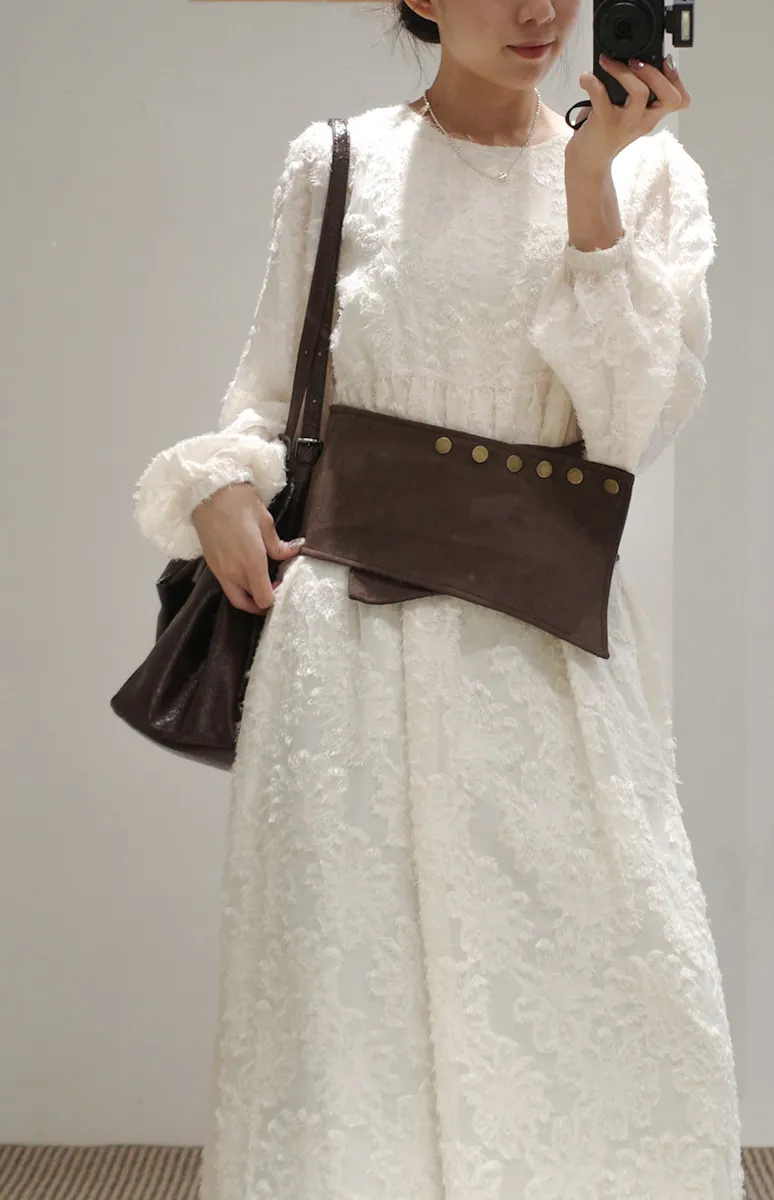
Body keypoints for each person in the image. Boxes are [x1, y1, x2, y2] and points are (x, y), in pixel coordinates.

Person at [133, 1, 743, 1196]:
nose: (539, 12)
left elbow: (626, 426)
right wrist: (219, 485)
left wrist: (591, 181)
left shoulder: (649, 175)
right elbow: (265, 400)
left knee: (606, 1004)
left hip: (547, 657)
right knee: (351, 1022)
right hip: (349, 657)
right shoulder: (337, 162)